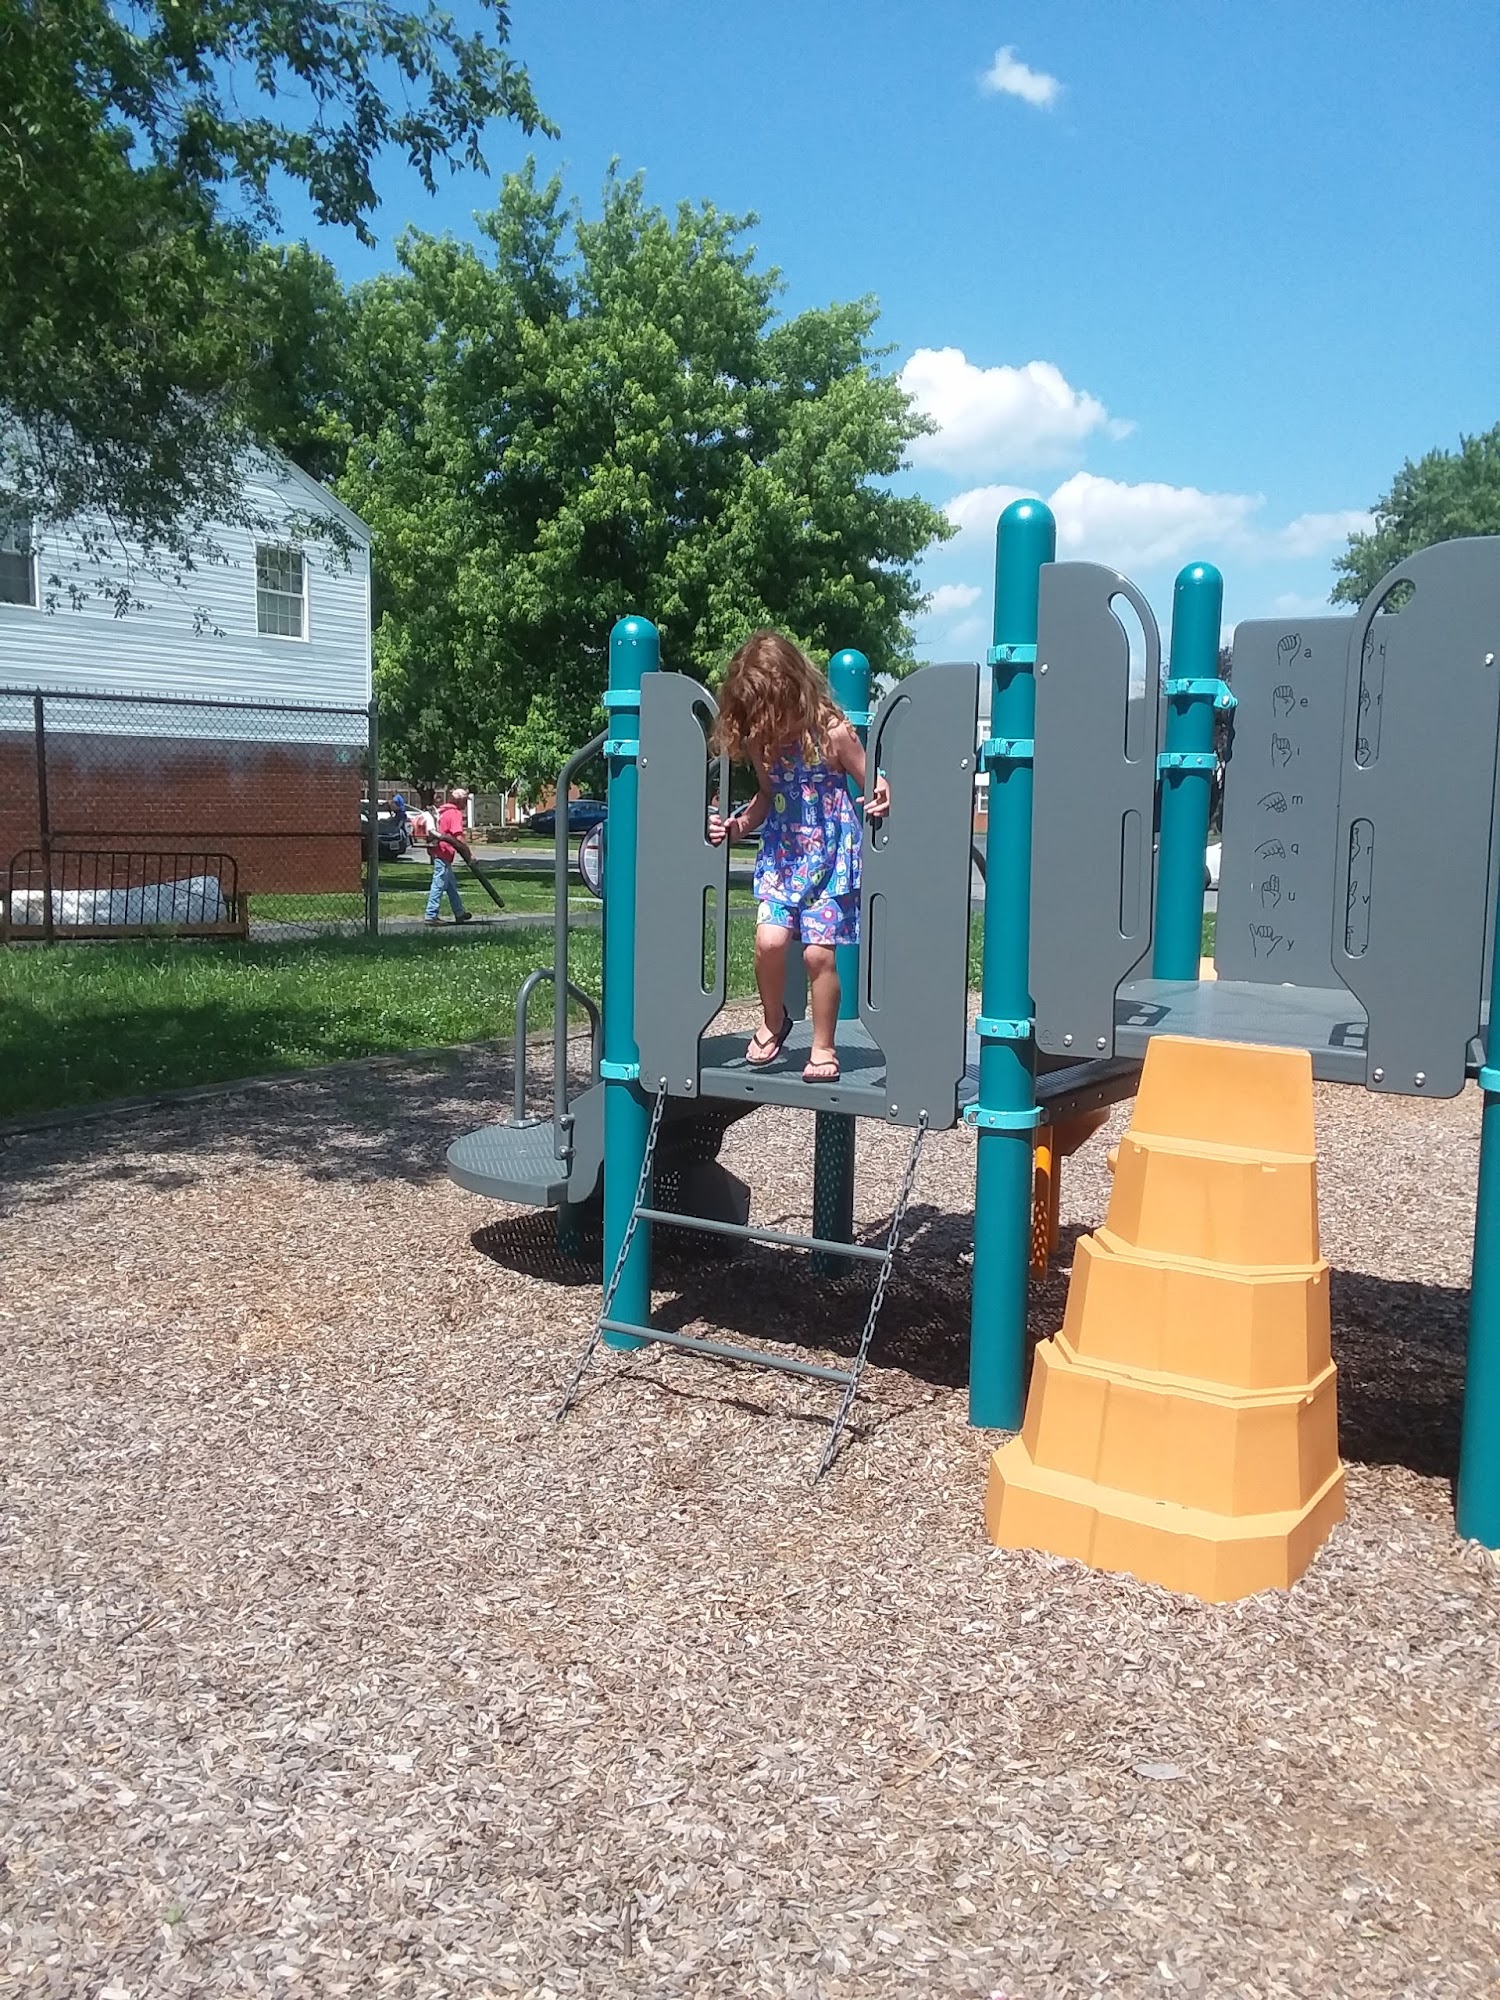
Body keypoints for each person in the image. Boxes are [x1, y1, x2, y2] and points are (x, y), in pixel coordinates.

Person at [709, 631, 888, 1083]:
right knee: (769, 942)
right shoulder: (762, 742)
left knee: (816, 957)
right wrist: (738, 826)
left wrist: (883, 792)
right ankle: (775, 1018)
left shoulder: (833, 733)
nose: (770, 725)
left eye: (776, 713)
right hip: (784, 859)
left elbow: (872, 779)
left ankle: (824, 1046)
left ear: (795, 692)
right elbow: (766, 795)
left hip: (830, 864)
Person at [424, 786, 475, 925]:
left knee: (451, 885)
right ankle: (431, 915)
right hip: (444, 851)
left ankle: (459, 912)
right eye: (465, 800)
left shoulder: (443, 811)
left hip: (439, 850)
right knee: (439, 883)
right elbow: (458, 836)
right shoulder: (454, 813)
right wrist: (469, 854)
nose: (465, 804)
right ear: (460, 801)